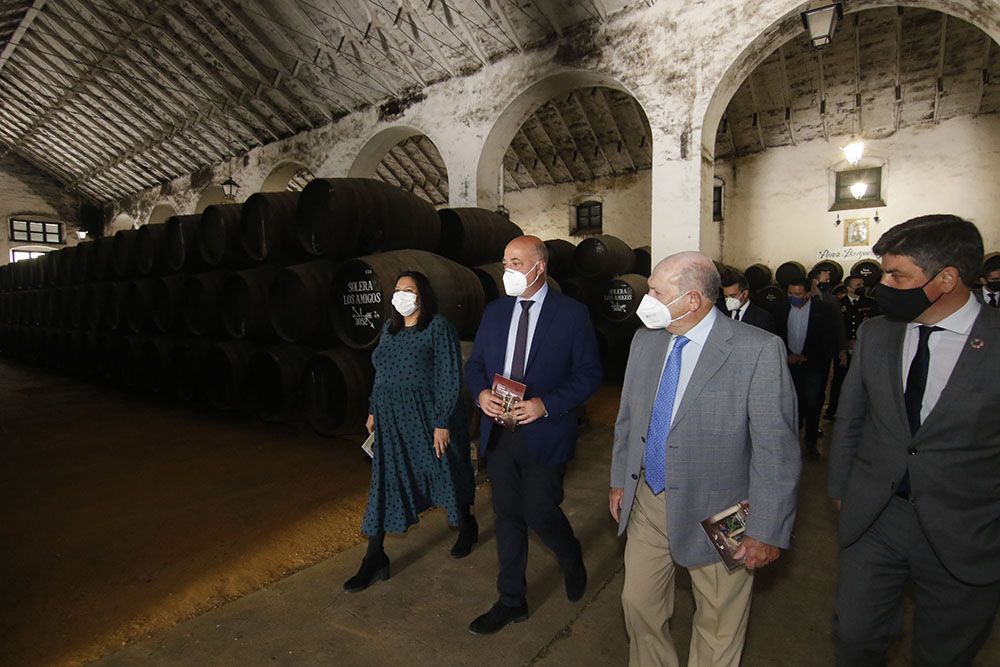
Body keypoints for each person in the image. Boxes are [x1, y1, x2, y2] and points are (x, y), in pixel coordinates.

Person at [610, 252, 800, 667]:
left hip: (722, 511)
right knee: (638, 602)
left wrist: (767, 530)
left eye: (657, 291)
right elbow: (629, 418)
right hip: (650, 498)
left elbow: (777, 451)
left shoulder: (757, 351)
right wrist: (620, 480)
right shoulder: (645, 341)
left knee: (719, 620)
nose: (648, 298)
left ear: (692, 300)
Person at [829, 214, 1000, 666]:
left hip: (967, 527)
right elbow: (851, 417)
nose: (881, 283)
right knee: (855, 636)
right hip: (877, 517)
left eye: (895, 274)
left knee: (943, 653)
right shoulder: (876, 333)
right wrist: (842, 488)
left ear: (946, 279)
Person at [465, 235, 602, 635]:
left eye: (513, 262)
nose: (505, 270)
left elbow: (589, 374)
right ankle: (512, 600)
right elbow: (475, 366)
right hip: (499, 432)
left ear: (538, 267)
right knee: (507, 515)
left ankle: (570, 554)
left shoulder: (571, 315)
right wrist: (481, 394)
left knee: (540, 512)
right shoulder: (494, 312)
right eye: (504, 262)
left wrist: (546, 404)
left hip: (545, 431)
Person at [343, 271, 478, 593]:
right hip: (391, 419)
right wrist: (373, 409)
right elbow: (382, 374)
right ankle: (374, 557)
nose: (401, 295)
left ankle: (466, 522)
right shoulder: (389, 330)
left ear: (422, 296)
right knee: (385, 482)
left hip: (427, 416)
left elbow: (449, 375)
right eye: (398, 290)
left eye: (409, 290)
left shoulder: (437, 327)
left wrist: (442, 421)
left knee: (445, 469)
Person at [777, 277, 843, 459]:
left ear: (807, 293)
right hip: (788, 364)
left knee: (813, 402)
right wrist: (787, 354)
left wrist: (807, 356)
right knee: (790, 402)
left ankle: (810, 441)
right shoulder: (780, 309)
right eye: (790, 293)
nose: (793, 297)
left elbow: (828, 338)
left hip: (813, 365)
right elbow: (776, 334)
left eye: (798, 294)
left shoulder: (823, 310)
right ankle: (791, 441)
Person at [825, 275, 879, 420]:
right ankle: (833, 410)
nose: (861, 287)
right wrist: (844, 345)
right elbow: (835, 328)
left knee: (865, 380)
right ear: (848, 288)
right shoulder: (838, 304)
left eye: (862, 284)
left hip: (864, 348)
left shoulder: (871, 303)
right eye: (857, 284)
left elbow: (876, 326)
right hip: (843, 350)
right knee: (839, 379)